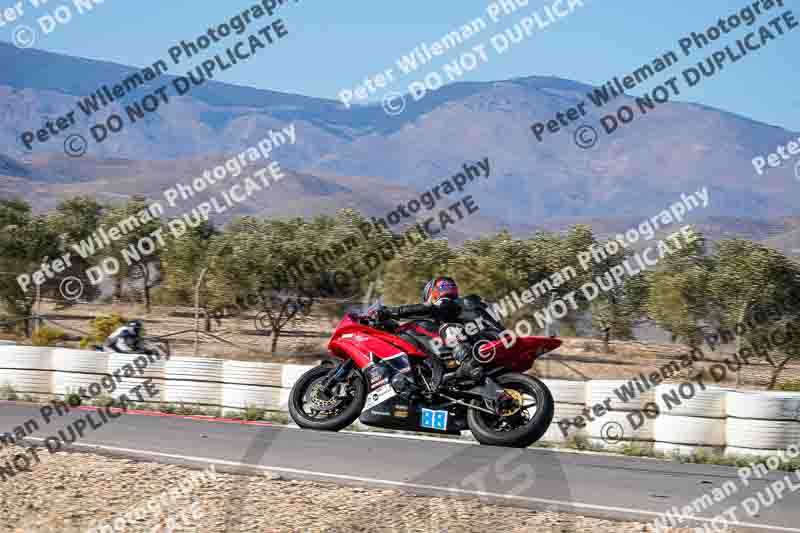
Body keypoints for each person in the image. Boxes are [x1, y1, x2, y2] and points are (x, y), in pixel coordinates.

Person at [369, 277, 481, 381]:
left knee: (447, 328)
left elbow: (425, 309)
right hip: (481, 340)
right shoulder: (458, 308)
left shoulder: (448, 304)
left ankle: (466, 361)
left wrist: (390, 311)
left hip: (477, 347)